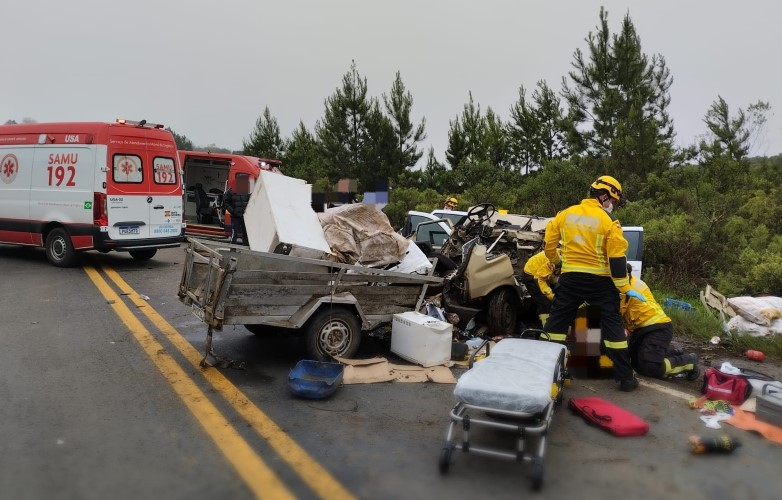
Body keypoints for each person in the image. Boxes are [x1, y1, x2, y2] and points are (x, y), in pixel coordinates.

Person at [541, 175, 646, 392]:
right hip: (600, 282)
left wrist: (559, 264)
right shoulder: (609, 223)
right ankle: (625, 378)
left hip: (570, 280)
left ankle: (546, 369)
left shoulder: (564, 215)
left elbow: (549, 247)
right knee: (613, 328)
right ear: (604, 196)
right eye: (613, 202)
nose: (612, 206)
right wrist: (625, 288)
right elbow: (617, 260)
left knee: (557, 324)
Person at [621, 264, 700, 380]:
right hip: (641, 328)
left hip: (657, 327)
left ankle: (689, 361)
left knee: (649, 367)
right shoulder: (628, 281)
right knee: (635, 363)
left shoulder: (623, 288)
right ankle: (673, 353)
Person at [521, 249, 561, 327]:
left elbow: (554, 276)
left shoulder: (563, 257)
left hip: (541, 271)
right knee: (545, 303)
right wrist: (550, 295)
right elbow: (540, 279)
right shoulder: (553, 262)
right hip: (532, 275)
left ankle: (532, 321)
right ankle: (546, 328)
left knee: (541, 299)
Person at [222, 176, 251, 245]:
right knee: (234, 234)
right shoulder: (230, 191)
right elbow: (225, 203)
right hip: (235, 217)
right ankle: (232, 248)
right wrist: (233, 211)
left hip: (244, 217)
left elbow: (250, 202)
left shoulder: (247, 191)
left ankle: (246, 249)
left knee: (246, 234)